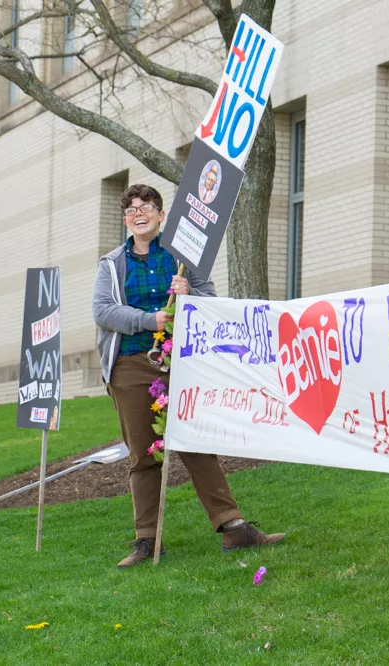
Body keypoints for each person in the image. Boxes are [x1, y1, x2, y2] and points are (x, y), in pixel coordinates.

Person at [92, 184, 285, 568]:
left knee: (196, 442)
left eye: (147, 206)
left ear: (161, 215)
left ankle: (234, 528)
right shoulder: (112, 263)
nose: (139, 213)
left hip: (180, 361)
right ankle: (148, 540)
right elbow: (103, 311)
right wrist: (150, 319)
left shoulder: (182, 257)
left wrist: (189, 293)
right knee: (144, 454)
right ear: (125, 220)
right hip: (131, 365)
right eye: (131, 209)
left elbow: (210, 303)